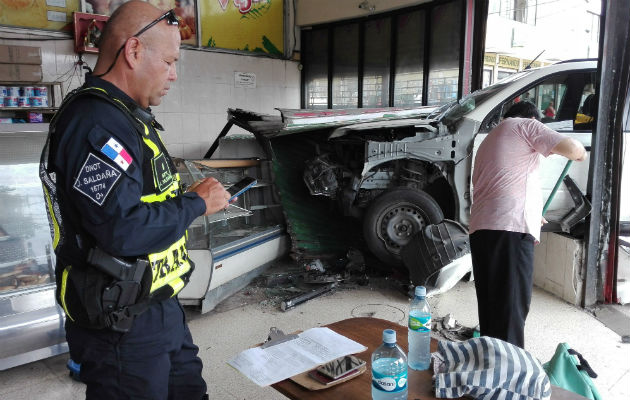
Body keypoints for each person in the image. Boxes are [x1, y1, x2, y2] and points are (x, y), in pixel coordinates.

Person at [39, 2, 230, 399]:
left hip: (157, 306)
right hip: (120, 327)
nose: (174, 75)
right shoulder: (96, 123)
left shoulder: (127, 117)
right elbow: (121, 228)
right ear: (133, 51)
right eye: (170, 61)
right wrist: (196, 204)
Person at [468, 101, 587, 348]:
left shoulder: (491, 139)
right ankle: (510, 378)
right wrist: (579, 153)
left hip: (484, 230)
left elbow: (504, 184)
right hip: (509, 230)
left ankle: (492, 368)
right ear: (533, 119)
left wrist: (533, 213)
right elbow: (574, 149)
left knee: (492, 310)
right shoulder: (526, 126)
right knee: (510, 311)